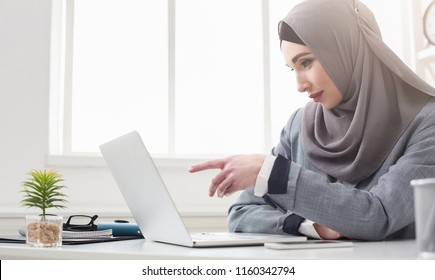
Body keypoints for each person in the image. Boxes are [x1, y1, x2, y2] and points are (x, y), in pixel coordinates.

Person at [189, 0, 435, 240]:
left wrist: (274, 174)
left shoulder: (426, 123)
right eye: (292, 68)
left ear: (347, 48)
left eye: (305, 62)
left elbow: (378, 216)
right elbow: (241, 214)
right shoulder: (300, 126)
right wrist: (308, 226)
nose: (299, 85)